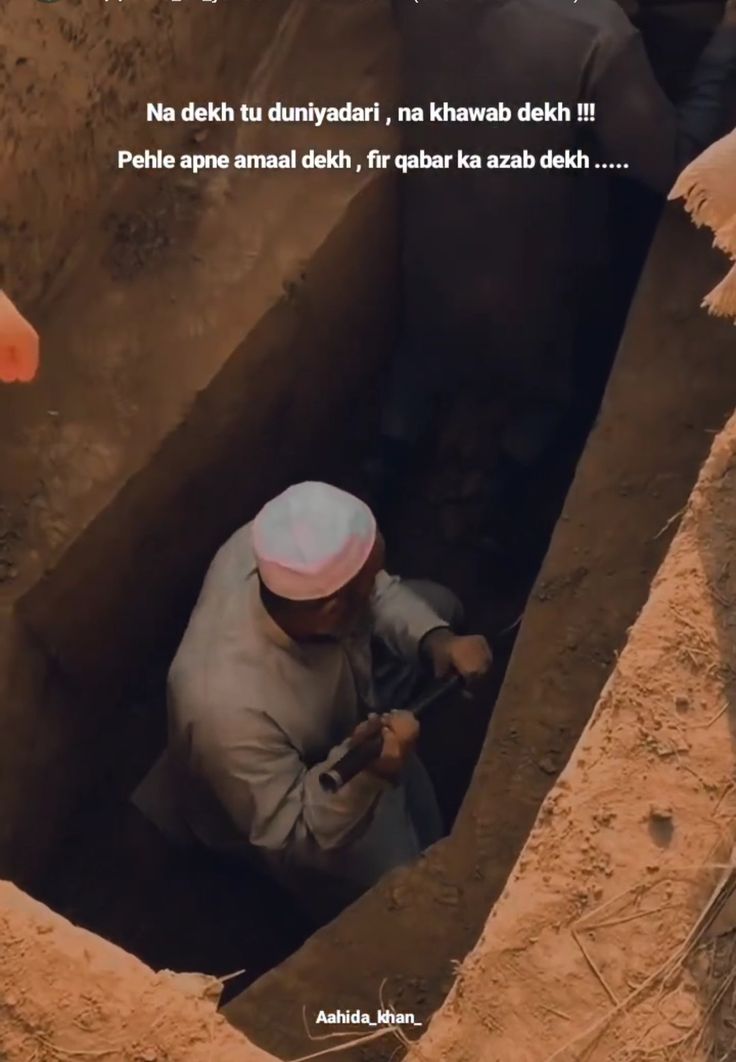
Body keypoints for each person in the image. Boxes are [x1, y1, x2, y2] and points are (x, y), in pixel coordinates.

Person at [371, 0, 736, 512]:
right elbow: (678, 164)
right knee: (548, 391)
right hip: (533, 298)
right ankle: (514, 486)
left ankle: (390, 451)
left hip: (431, 264)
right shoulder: (596, 33)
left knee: (423, 354)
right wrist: (726, 42)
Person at [132, 481, 492, 919]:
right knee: (406, 875)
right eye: (365, 583)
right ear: (333, 610)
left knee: (440, 605)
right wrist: (369, 773)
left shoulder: (275, 546)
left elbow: (373, 590)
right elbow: (292, 834)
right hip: (298, 791)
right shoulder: (223, 710)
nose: (375, 584)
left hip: (341, 684)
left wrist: (435, 639)